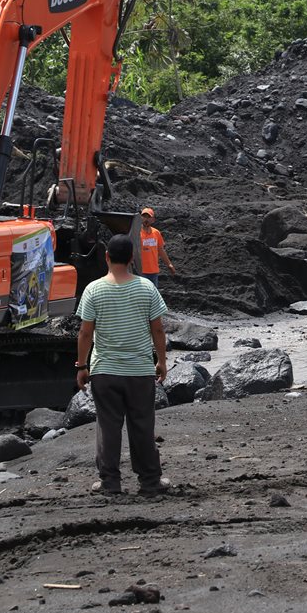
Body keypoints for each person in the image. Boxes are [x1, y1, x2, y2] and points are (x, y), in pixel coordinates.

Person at [75, 234, 169, 498]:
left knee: (108, 426)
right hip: (139, 371)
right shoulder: (147, 288)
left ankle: (110, 483)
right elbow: (158, 330)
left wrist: (82, 366)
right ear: (132, 259)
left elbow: (85, 333)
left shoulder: (93, 289)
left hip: (105, 371)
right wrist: (161, 361)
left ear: (106, 257)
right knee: (142, 425)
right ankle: (150, 481)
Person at [139, 207, 176, 288]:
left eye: (149, 217)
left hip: (154, 271)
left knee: (153, 296)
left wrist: (169, 264)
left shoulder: (156, 233)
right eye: (144, 216)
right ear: (140, 218)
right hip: (141, 272)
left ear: (153, 220)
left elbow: (160, 250)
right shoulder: (137, 233)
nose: (146, 219)